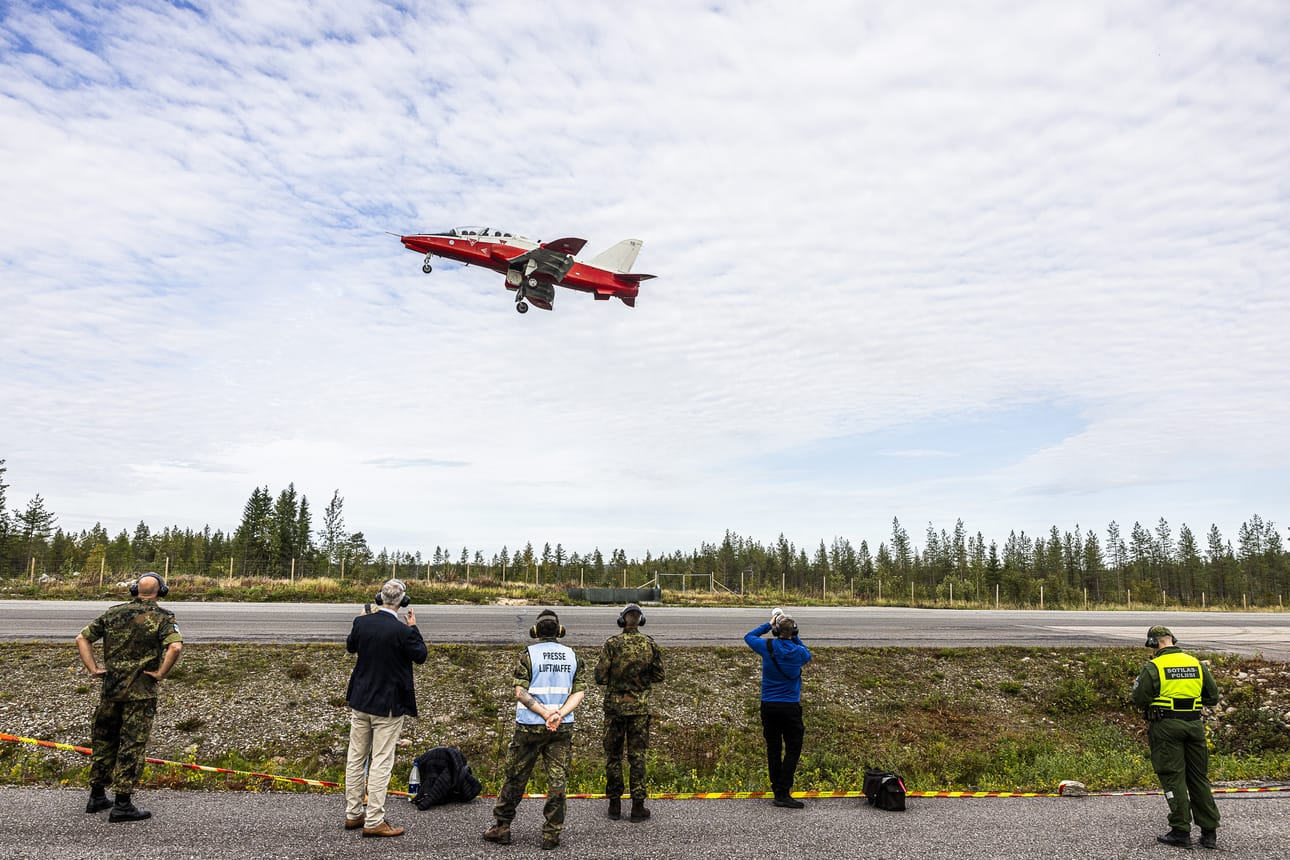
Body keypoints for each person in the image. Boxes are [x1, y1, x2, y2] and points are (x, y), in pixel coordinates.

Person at [75, 571, 183, 822]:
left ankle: (97, 794)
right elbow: (175, 646)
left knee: (104, 742)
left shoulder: (113, 613)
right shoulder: (162, 617)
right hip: (140, 693)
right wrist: (160, 673)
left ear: (135, 590)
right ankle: (123, 803)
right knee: (131, 746)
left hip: (111, 690)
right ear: (161, 591)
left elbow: (82, 638)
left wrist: (93, 669)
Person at [484, 609, 586, 851]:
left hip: (530, 725)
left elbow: (520, 692)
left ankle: (502, 827)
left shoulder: (529, 655)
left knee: (515, 776)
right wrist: (558, 714)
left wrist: (543, 714)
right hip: (561, 727)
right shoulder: (572, 656)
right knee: (557, 782)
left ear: (536, 631)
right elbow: (579, 692)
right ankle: (551, 834)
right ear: (560, 631)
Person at [343, 579, 428, 838]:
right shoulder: (403, 631)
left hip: (361, 700)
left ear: (380, 598)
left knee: (356, 758)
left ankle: (353, 813)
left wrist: (360, 620)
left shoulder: (362, 623)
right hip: (388, 705)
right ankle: (374, 819)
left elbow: (350, 646)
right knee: (381, 761)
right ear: (403, 602)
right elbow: (421, 655)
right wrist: (414, 628)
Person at [1130, 625, 1221, 850]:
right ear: (1172, 639)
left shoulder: (1154, 667)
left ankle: (1181, 830)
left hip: (1166, 725)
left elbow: (1139, 697)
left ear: (1154, 644)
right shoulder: (1195, 663)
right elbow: (1212, 696)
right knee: (1198, 777)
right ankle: (1209, 832)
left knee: (1173, 776)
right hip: (1194, 725)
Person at [595, 602, 665, 822]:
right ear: (641, 620)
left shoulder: (612, 644)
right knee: (637, 757)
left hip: (615, 708)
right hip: (639, 709)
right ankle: (637, 807)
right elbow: (659, 675)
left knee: (613, 756)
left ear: (621, 620)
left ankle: (614, 805)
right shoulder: (649, 644)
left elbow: (600, 677)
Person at [744, 607, 812, 809]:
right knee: (793, 747)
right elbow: (806, 654)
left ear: (776, 631)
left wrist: (770, 623)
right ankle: (783, 790)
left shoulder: (767, 647)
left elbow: (748, 636)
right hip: (790, 706)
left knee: (773, 748)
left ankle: (777, 790)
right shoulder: (799, 652)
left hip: (769, 705)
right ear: (794, 632)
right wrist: (795, 636)